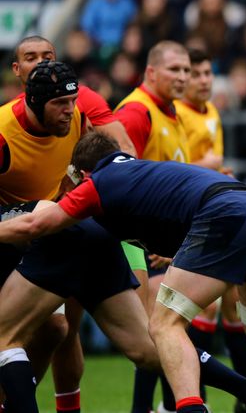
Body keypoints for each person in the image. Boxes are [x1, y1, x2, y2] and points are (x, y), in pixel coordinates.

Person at [0, 132, 246, 412]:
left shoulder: (100, 182)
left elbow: (37, 223)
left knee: (164, 324)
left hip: (226, 214)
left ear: (84, 175)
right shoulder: (141, 171)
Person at [11, 36, 140, 413]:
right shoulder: (6, 124)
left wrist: (88, 190)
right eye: (30, 58)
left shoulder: (84, 101)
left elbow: (123, 152)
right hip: (18, 233)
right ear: (17, 70)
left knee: (63, 329)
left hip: (69, 225)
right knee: (46, 330)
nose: (39, 62)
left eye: (47, 56)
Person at [173, 48, 246, 413]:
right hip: (187, 219)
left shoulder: (212, 114)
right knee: (197, 311)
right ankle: (188, 398)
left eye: (208, 73)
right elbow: (171, 170)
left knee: (233, 306)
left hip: (215, 215)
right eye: (196, 74)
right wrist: (206, 166)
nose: (204, 80)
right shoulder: (176, 115)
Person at [113, 39, 192, 412]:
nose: (183, 76)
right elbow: (121, 185)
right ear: (151, 72)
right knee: (154, 335)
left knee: (162, 332)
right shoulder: (136, 113)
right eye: (175, 69)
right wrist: (150, 239)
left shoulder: (171, 113)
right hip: (140, 243)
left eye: (186, 70)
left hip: (163, 243)